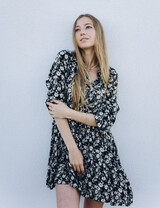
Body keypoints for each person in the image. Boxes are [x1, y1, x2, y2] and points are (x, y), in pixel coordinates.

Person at [45, 14, 133, 208]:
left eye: (88, 27)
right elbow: (54, 106)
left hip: (100, 152)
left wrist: (69, 112)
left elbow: (106, 118)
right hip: (67, 148)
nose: (82, 32)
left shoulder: (110, 75)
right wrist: (73, 150)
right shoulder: (65, 61)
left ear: (98, 33)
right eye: (77, 29)